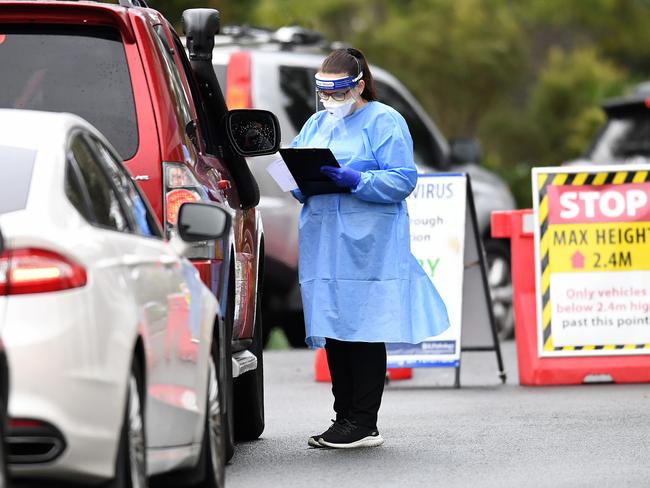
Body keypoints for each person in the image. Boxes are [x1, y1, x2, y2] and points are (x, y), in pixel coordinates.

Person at [290, 48, 450, 449]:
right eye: (324, 93)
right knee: (334, 327)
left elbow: (402, 179)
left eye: (339, 93)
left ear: (359, 86)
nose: (331, 101)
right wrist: (296, 181)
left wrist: (356, 180)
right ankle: (343, 416)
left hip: (368, 244)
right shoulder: (316, 123)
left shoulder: (385, 121)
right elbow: (289, 163)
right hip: (325, 242)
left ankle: (363, 421)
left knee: (363, 328)